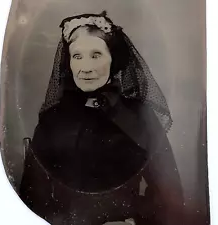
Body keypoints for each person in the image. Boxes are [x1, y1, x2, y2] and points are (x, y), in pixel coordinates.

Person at [19, 11, 184, 225]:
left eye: (96, 55)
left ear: (113, 59)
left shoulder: (139, 115)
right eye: (77, 56)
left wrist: (135, 220)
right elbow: (33, 198)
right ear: (69, 63)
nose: (86, 68)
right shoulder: (53, 119)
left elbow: (168, 193)